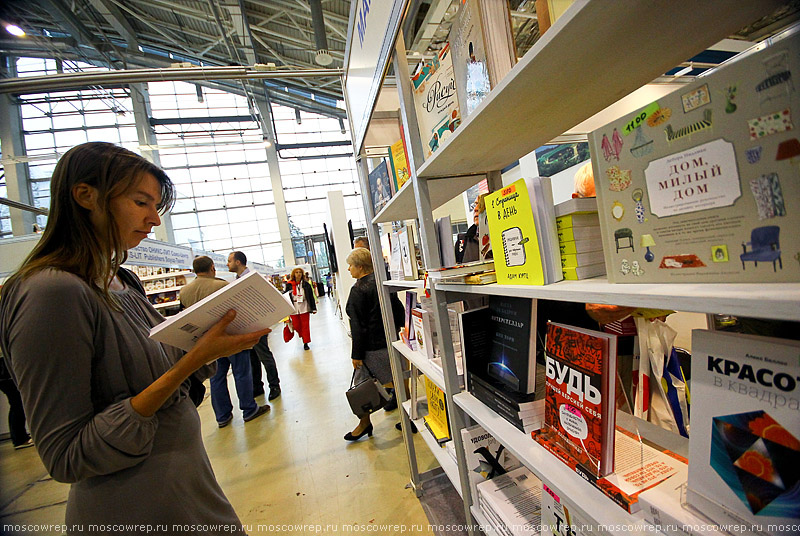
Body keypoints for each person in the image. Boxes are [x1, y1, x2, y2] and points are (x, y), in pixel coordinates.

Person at [0, 142, 270, 532]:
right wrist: (193, 361)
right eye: (141, 202)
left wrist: (208, 340)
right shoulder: (51, 292)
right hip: (134, 510)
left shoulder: (121, 280)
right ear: (85, 196)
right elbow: (67, 456)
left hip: (188, 491)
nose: (154, 220)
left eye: (156, 206)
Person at [183, 255, 270, 427]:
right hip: (230, 338)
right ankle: (248, 409)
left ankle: (222, 416)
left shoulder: (185, 291)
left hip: (206, 343)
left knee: (216, 377)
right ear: (212, 268)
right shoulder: (221, 286)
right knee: (242, 373)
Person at [343, 248, 414, 440]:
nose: (348, 269)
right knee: (399, 380)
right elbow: (399, 311)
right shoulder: (383, 283)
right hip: (391, 340)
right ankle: (409, 417)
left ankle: (364, 423)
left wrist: (356, 354)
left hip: (370, 348)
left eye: (350, 265)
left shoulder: (358, 290)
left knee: (361, 386)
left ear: (360, 267)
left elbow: (357, 325)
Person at [227, 251, 281, 401]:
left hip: (257, 324)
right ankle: (257, 386)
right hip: (244, 326)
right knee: (252, 358)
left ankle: (274, 385)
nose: (227, 264)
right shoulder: (236, 280)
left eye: (229, 261)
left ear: (238, 262)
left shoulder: (253, 279)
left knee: (264, 355)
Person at [0, 350, 33, 449]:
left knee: (17, 403)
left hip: (4, 371)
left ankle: (19, 437)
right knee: (17, 404)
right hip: (4, 371)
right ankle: (19, 439)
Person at [284, 267, 316, 351]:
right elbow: (285, 297)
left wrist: (314, 308)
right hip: (294, 307)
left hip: (304, 306)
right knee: (297, 325)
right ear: (293, 274)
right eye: (296, 272)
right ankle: (302, 335)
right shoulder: (289, 285)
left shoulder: (306, 284)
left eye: (300, 272)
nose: (298, 274)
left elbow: (311, 297)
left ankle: (306, 342)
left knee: (305, 326)